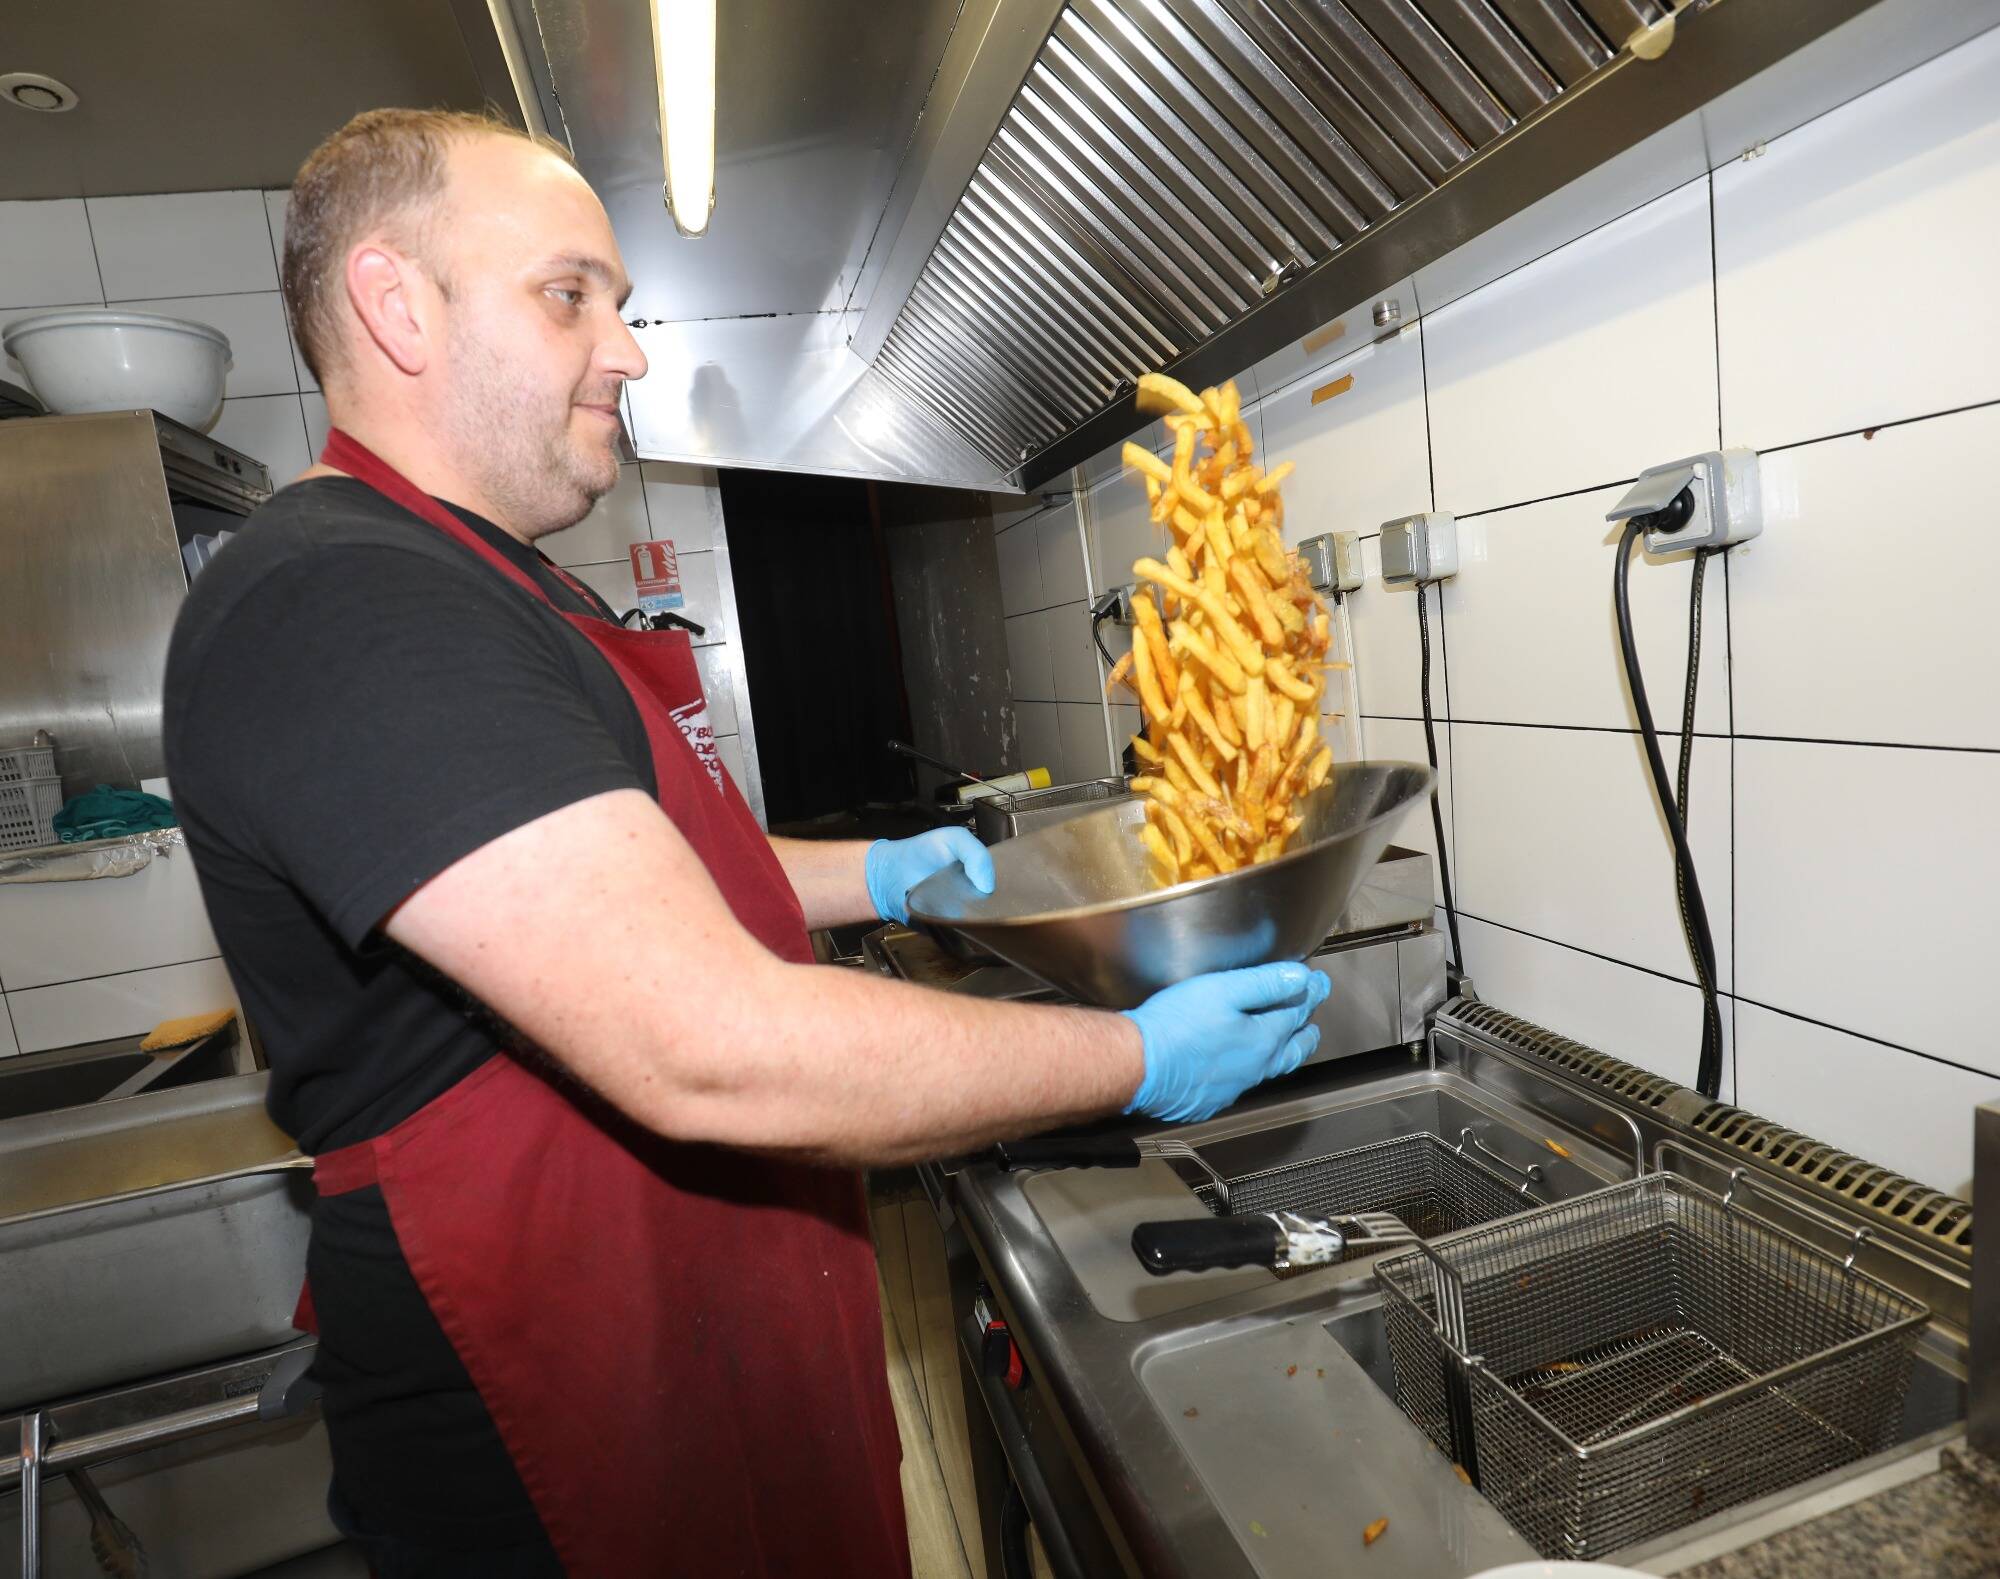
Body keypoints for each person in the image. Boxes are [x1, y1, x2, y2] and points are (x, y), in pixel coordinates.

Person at [163, 108, 1329, 1578]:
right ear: (396, 305)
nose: (631, 352)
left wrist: (890, 870)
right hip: (569, 1416)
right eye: (570, 294)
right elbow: (705, 1038)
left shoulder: (492, 585)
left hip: (699, 1339)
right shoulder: (343, 601)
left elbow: (643, 884)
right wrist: (1136, 1062)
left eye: (625, 306)